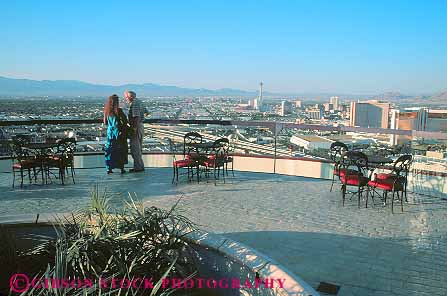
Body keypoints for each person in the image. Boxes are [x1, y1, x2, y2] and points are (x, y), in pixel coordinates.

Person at [104, 94, 128, 174]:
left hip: (110, 133)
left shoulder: (107, 111)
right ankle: (121, 168)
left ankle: (109, 168)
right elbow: (125, 121)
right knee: (120, 150)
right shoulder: (119, 111)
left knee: (110, 150)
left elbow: (105, 122)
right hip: (118, 133)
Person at [124, 90, 145, 172]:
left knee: (135, 148)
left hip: (136, 127)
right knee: (139, 148)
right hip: (141, 126)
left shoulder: (135, 103)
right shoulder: (140, 102)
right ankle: (140, 166)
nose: (126, 99)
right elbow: (147, 112)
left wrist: (134, 128)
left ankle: (138, 168)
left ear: (130, 97)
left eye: (126, 97)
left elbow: (136, 117)